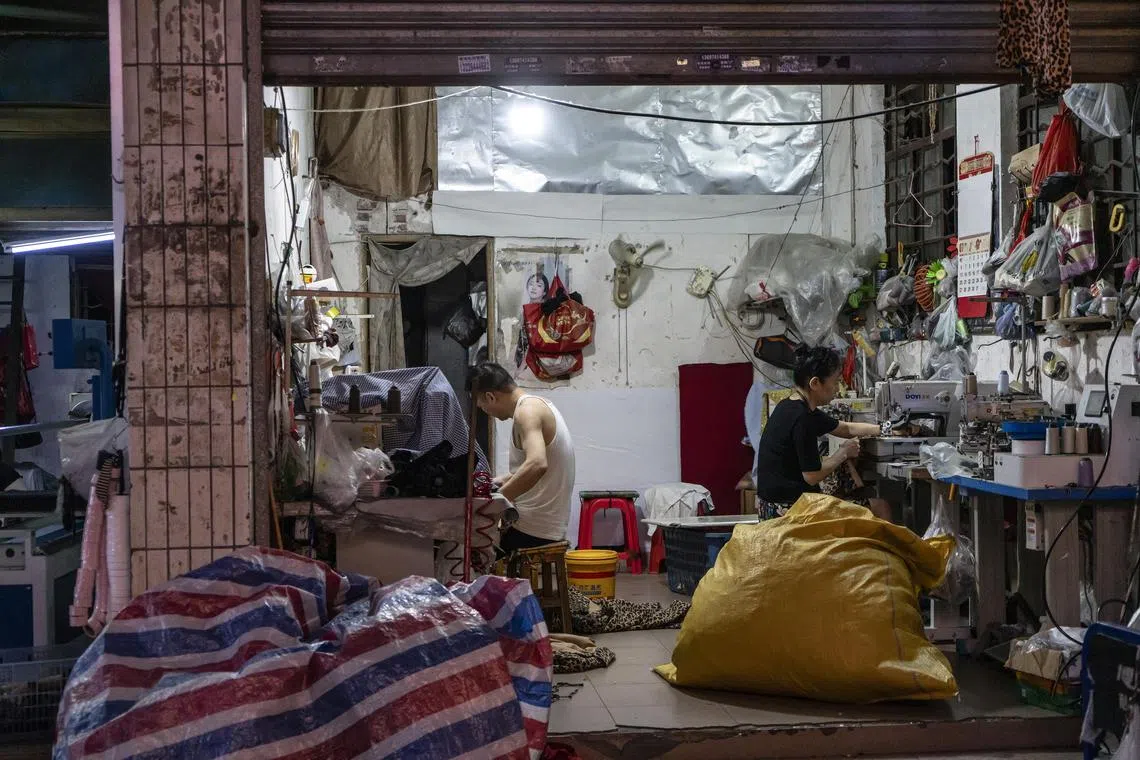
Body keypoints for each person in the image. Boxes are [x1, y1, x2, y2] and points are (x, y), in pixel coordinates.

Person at [753, 345, 891, 520]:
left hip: (776, 504)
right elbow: (811, 476)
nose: (837, 387)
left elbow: (845, 428)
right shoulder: (802, 418)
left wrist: (886, 429)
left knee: (859, 497)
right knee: (880, 507)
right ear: (815, 383)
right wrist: (842, 453)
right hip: (788, 510)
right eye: (834, 382)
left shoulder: (792, 405)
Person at [468, 362, 576, 553]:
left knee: (468, 543)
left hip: (532, 530)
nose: (486, 412)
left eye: (482, 406)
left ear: (490, 397)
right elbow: (535, 466)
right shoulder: (537, 405)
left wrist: (497, 503)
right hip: (546, 525)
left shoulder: (527, 412)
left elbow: (537, 465)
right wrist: (497, 482)